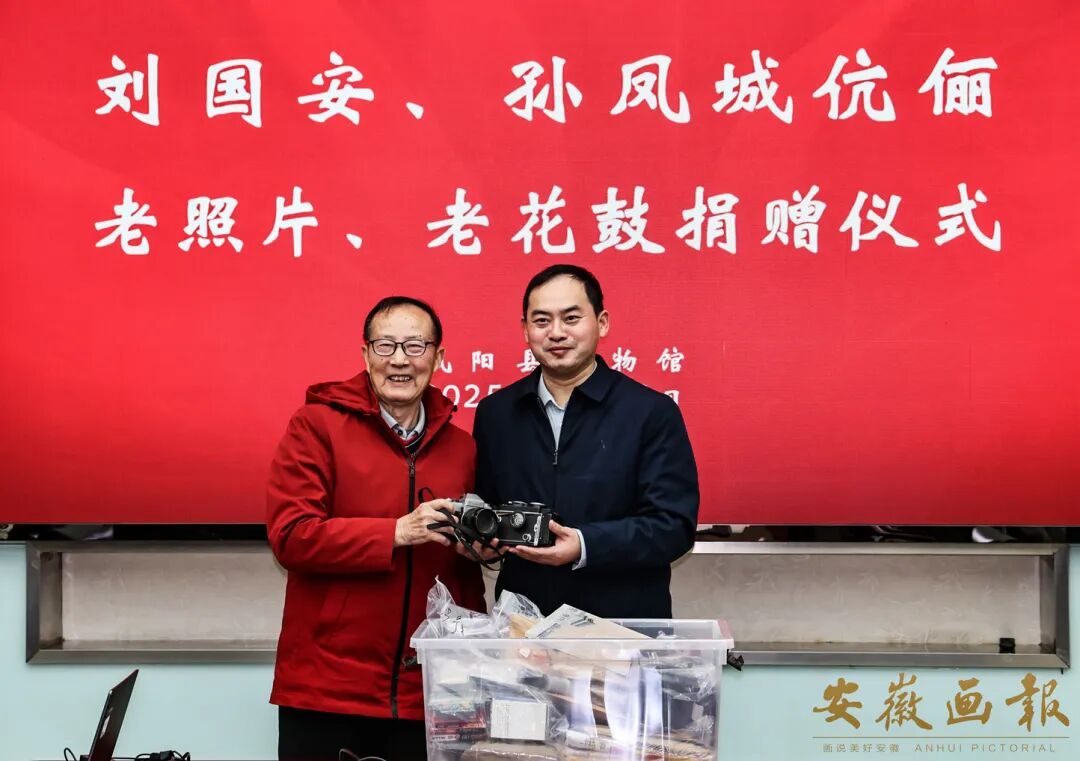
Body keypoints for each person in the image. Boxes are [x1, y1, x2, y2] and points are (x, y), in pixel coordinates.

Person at [266, 296, 484, 761]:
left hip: (429, 688)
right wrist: (396, 533)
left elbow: (464, 575)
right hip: (327, 687)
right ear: (365, 354)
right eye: (386, 345)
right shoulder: (316, 426)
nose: (400, 360)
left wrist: (481, 551)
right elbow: (292, 536)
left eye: (416, 345)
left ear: (439, 357)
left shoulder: (462, 446)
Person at [472, 265, 699, 619]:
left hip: (622, 628)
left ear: (601, 323)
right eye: (542, 321)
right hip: (524, 626)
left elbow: (674, 527)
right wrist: (482, 540)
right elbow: (488, 507)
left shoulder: (650, 412)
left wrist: (584, 544)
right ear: (525, 329)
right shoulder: (496, 414)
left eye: (571, 318)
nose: (556, 332)